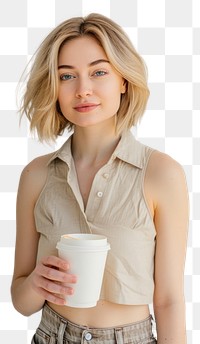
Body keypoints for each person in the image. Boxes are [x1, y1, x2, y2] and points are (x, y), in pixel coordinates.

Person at [11, 13, 189, 344]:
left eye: (99, 72)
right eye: (67, 76)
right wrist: (36, 284)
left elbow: (169, 300)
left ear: (123, 80)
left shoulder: (162, 175)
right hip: (51, 334)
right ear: (54, 86)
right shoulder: (35, 176)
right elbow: (21, 301)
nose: (83, 90)